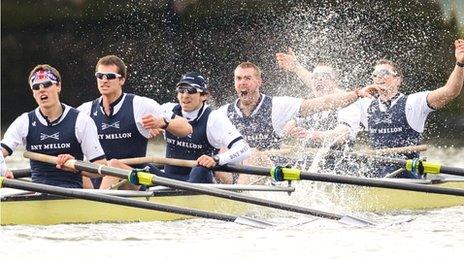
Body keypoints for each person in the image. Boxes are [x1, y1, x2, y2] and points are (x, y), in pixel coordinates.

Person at [217, 61, 377, 183]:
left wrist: (356, 94)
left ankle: (236, 196)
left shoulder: (278, 106)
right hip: (235, 173)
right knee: (215, 153)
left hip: (274, 173)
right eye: (238, 79)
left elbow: (325, 106)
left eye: (247, 78)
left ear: (259, 82)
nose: (243, 83)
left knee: (252, 154)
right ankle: (225, 191)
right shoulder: (223, 113)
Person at [338, 39, 464, 178]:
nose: (379, 77)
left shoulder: (413, 102)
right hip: (377, 175)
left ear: (398, 80)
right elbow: (333, 100)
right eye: (375, 74)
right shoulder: (365, 104)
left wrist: (460, 64)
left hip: (407, 175)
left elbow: (450, 91)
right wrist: (358, 93)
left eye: (384, 73)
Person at [111, 72, 251, 183]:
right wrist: (149, 127)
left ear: (204, 95)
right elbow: (135, 123)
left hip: (198, 180)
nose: (185, 96)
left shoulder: (214, 118)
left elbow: (243, 148)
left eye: (191, 90)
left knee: (200, 169)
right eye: (181, 90)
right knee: (136, 166)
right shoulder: (167, 109)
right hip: (167, 179)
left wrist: (216, 159)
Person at [78, 55, 192, 189]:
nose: (104, 80)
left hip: (135, 181)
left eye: (109, 76)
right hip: (97, 179)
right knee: (74, 166)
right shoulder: (85, 110)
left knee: (113, 165)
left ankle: (97, 205)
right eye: (100, 76)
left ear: (122, 80)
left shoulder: (140, 105)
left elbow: (187, 128)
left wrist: (163, 123)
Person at [1, 64, 106, 188]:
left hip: (72, 193)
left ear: (58, 86)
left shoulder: (81, 120)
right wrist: (3, 172)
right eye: (36, 87)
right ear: (33, 93)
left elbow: (101, 167)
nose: (41, 90)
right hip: (38, 192)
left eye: (47, 84)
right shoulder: (24, 121)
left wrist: (76, 167)